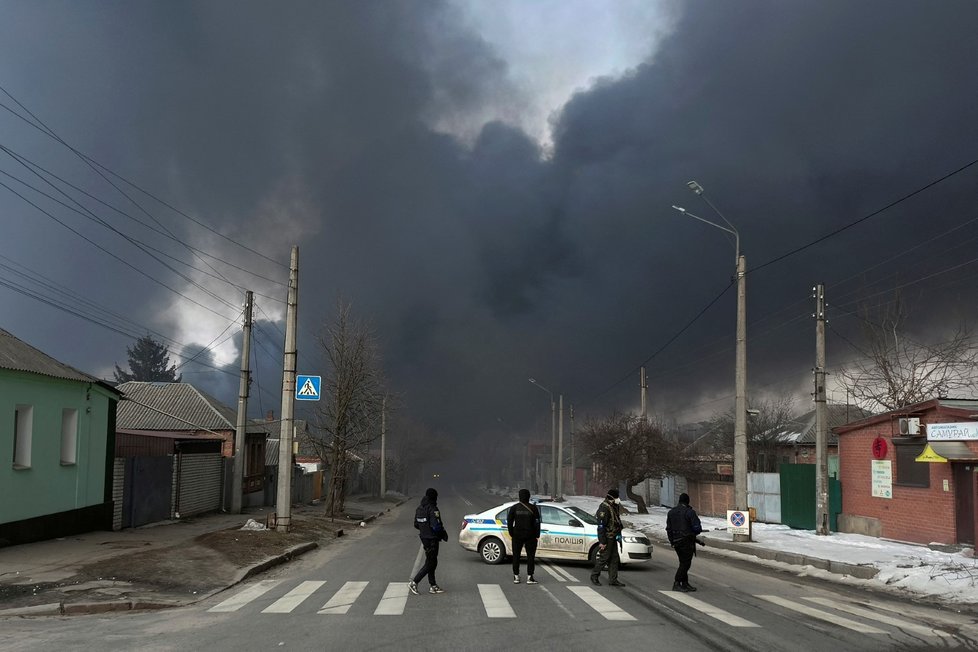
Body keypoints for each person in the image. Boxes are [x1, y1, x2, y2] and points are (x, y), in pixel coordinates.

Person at [409, 488, 449, 595]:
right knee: (431, 563)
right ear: (434, 497)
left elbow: (416, 524)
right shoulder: (433, 509)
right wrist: (443, 534)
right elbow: (436, 526)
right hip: (432, 539)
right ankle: (414, 582)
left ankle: (433, 585)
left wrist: (424, 529)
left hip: (424, 539)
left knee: (432, 561)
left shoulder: (419, 508)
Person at [666, 492, 703, 592]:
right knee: (685, 564)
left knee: (683, 562)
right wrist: (693, 533)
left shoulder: (671, 512)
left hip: (676, 542)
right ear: (687, 501)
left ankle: (685, 583)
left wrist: (672, 541)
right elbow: (697, 528)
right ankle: (677, 583)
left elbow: (668, 529)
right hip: (687, 541)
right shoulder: (689, 512)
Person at [590, 488, 625, 587]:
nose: (618, 499)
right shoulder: (604, 508)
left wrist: (618, 535)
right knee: (604, 558)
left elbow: (617, 521)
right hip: (607, 537)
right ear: (612, 497)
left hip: (613, 536)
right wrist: (602, 541)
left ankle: (613, 580)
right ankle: (594, 576)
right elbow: (601, 526)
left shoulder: (614, 506)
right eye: (617, 497)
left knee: (614, 558)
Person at [507, 488, 541, 585]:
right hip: (530, 535)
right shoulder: (533, 508)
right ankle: (530, 577)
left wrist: (511, 532)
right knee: (530, 556)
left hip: (517, 535)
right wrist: (537, 534)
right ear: (529, 497)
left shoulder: (514, 508)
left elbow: (509, 521)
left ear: (519, 496)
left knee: (516, 556)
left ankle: (516, 576)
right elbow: (537, 522)